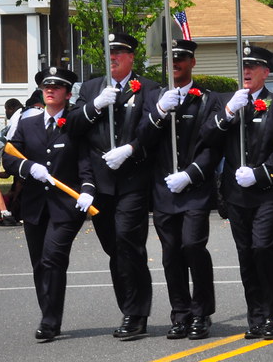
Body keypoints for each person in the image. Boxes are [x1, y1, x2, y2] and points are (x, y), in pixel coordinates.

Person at [72, 32, 159, 341]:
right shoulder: (91, 88)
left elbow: (153, 130)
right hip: (100, 181)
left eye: (119, 52)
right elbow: (74, 127)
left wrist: (131, 149)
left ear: (131, 56)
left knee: (128, 243)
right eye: (109, 51)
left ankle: (136, 313)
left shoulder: (148, 88)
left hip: (133, 179)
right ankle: (128, 307)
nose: (113, 56)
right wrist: (94, 106)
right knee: (114, 249)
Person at [1, 66, 93, 342]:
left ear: (67, 93)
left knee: (53, 258)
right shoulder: (27, 124)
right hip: (34, 205)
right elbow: (9, 157)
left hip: (66, 206)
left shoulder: (75, 124)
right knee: (40, 263)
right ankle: (49, 313)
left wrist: (88, 189)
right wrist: (28, 167)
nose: (50, 90)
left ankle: (50, 321)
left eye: (57, 87)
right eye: (46, 87)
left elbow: (85, 161)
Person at [142, 39, 223, 341]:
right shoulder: (153, 98)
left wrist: (191, 174)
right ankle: (181, 315)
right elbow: (143, 139)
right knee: (170, 254)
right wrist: (160, 112)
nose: (175, 63)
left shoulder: (206, 99)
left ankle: (201, 313)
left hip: (194, 188)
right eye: (170, 58)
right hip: (164, 190)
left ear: (192, 63)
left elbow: (212, 144)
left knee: (192, 246)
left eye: (181, 58)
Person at [212, 45, 273, 341]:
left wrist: (261, 173)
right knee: (246, 254)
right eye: (243, 66)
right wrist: (230, 110)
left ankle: (270, 312)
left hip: (267, 191)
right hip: (235, 194)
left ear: (265, 72)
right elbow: (209, 135)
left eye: (253, 66)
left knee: (262, 247)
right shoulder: (229, 102)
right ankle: (256, 316)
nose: (246, 71)